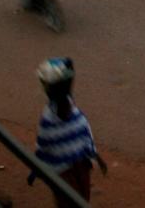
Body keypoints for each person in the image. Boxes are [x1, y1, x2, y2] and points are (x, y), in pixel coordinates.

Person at [30, 58, 107, 206]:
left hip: (72, 170)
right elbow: (85, 136)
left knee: (74, 201)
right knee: (75, 201)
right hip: (72, 170)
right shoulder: (65, 114)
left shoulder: (54, 116)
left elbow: (43, 147)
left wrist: (35, 171)